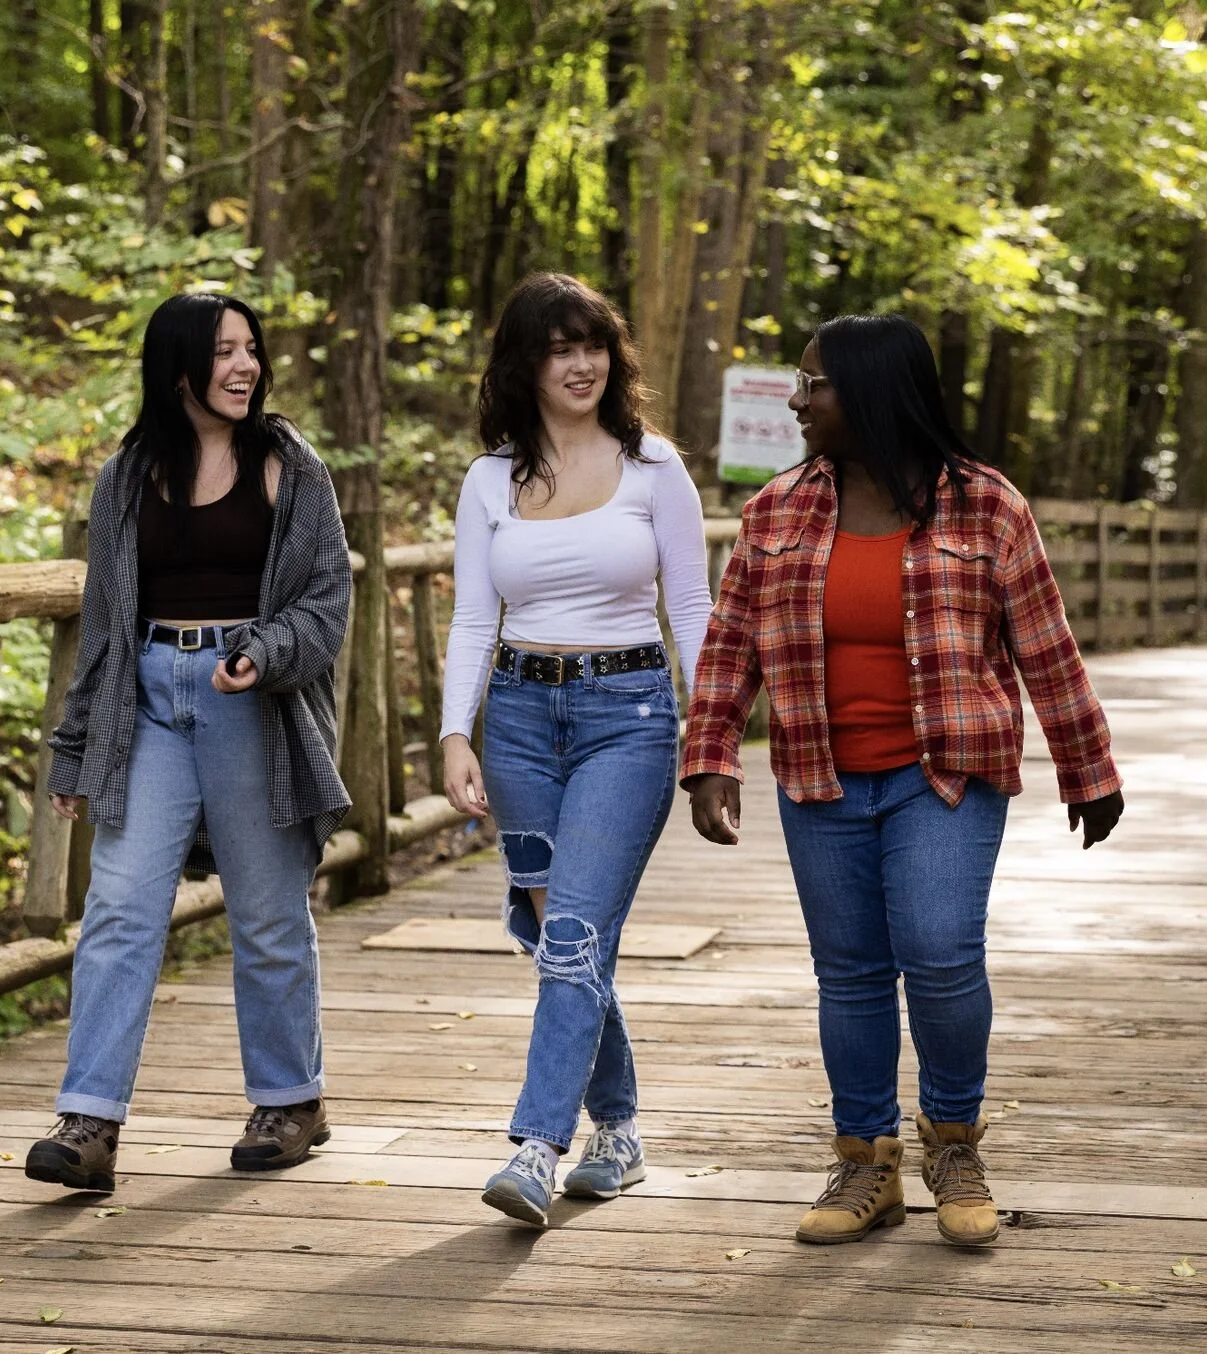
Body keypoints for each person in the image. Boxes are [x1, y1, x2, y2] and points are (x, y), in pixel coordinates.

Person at [681, 313, 1124, 1248]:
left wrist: (1088, 767)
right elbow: (729, 645)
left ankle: (954, 1144)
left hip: (946, 772)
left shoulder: (986, 507)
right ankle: (865, 1163)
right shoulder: (777, 511)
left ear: (874, 394)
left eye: (816, 386)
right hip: (820, 774)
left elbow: (1045, 646)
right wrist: (711, 756)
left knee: (939, 949)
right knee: (848, 973)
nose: (797, 401)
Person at [25, 293, 352, 1193]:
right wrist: (75, 746)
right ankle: (88, 1122)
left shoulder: (291, 466)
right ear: (179, 370)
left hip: (252, 700)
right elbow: (102, 626)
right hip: (150, 702)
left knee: (268, 910)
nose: (246, 367)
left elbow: (327, 604)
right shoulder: (127, 477)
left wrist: (266, 651)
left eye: (253, 349)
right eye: (225, 353)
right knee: (121, 908)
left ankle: (291, 1100)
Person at [439, 273, 713, 1227]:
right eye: (560, 347)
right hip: (517, 720)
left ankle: (535, 1146)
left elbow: (691, 608)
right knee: (563, 942)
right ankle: (621, 1130)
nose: (582, 362)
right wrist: (453, 732)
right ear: (527, 362)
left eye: (593, 342)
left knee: (573, 937)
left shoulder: (654, 469)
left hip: (628, 718)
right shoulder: (488, 481)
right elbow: (476, 616)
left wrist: (710, 732)